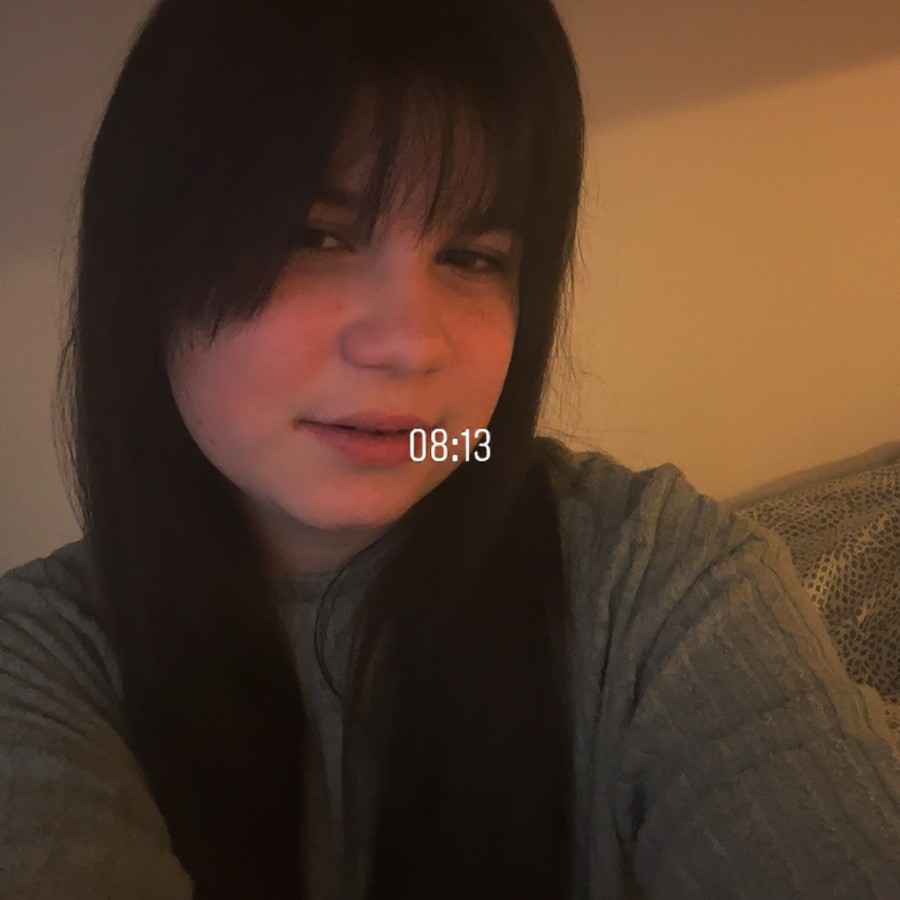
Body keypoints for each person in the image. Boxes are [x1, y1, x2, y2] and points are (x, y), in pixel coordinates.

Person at [1, 0, 898, 897]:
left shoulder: (654, 580)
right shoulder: (38, 666)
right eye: (314, 236)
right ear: (147, 266)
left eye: (472, 257)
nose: (410, 344)